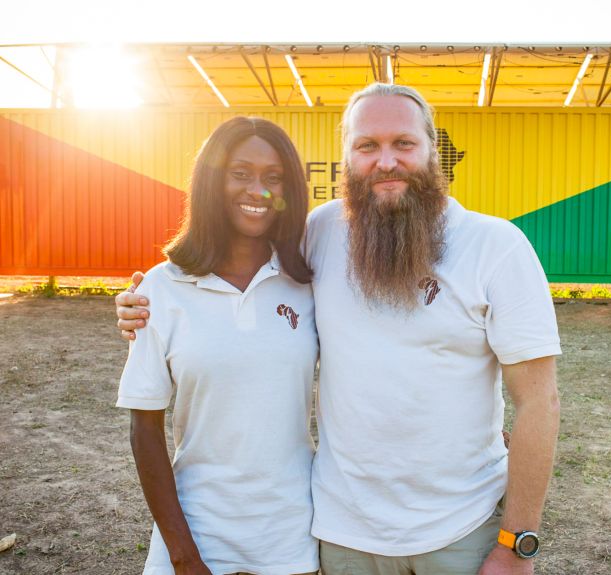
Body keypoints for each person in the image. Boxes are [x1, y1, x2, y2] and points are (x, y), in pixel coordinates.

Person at [117, 83, 561, 575]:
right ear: (347, 157)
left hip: (462, 529)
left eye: (404, 144)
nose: (385, 161)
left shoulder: (496, 246)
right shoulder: (318, 235)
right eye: (367, 146)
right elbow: (232, 267)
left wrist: (517, 543)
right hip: (343, 534)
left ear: (434, 150)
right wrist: (143, 299)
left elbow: (539, 402)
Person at [116, 116, 319, 575]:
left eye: (274, 177)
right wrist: (184, 557)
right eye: (240, 173)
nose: (257, 190)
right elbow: (144, 431)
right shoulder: (160, 289)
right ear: (211, 180)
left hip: (289, 535)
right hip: (196, 531)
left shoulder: (307, 282)